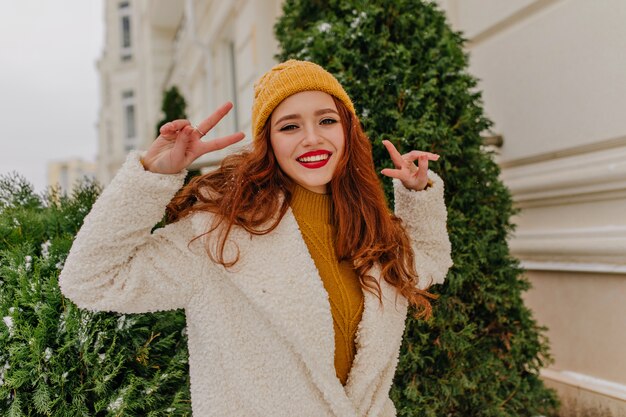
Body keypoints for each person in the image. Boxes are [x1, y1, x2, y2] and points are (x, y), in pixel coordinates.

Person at [60, 60, 452, 417]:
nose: (312, 138)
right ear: (269, 142)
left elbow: (431, 261)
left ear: (348, 130)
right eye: (290, 126)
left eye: (327, 120)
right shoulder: (220, 235)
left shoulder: (369, 227)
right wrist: (151, 176)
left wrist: (418, 196)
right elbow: (91, 279)